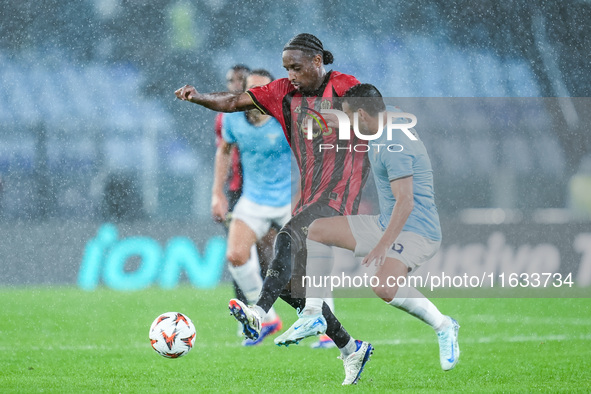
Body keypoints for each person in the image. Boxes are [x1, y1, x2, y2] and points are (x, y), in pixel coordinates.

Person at [176, 33, 372, 385]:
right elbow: (234, 101)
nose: (291, 74)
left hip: (342, 191)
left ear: (317, 61)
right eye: (286, 68)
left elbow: (372, 117)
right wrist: (198, 97)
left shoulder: (344, 86)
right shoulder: (282, 93)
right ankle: (350, 347)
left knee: (287, 238)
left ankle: (258, 313)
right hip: (305, 196)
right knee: (288, 285)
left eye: (296, 67)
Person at [283, 83, 460, 371]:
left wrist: (381, 246)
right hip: (385, 221)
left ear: (363, 115)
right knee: (317, 230)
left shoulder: (395, 146)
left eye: (351, 117)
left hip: (416, 230)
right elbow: (362, 119)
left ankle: (444, 325)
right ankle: (314, 313)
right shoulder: (385, 118)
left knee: (383, 285)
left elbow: (406, 202)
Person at [213, 69, 288, 345]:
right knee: (235, 254)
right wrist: (216, 194)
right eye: (253, 90)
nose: (259, 95)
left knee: (310, 259)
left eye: (264, 89)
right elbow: (223, 151)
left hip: (290, 199)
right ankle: (265, 318)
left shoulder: (286, 117)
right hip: (254, 199)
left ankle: (329, 329)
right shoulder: (232, 119)